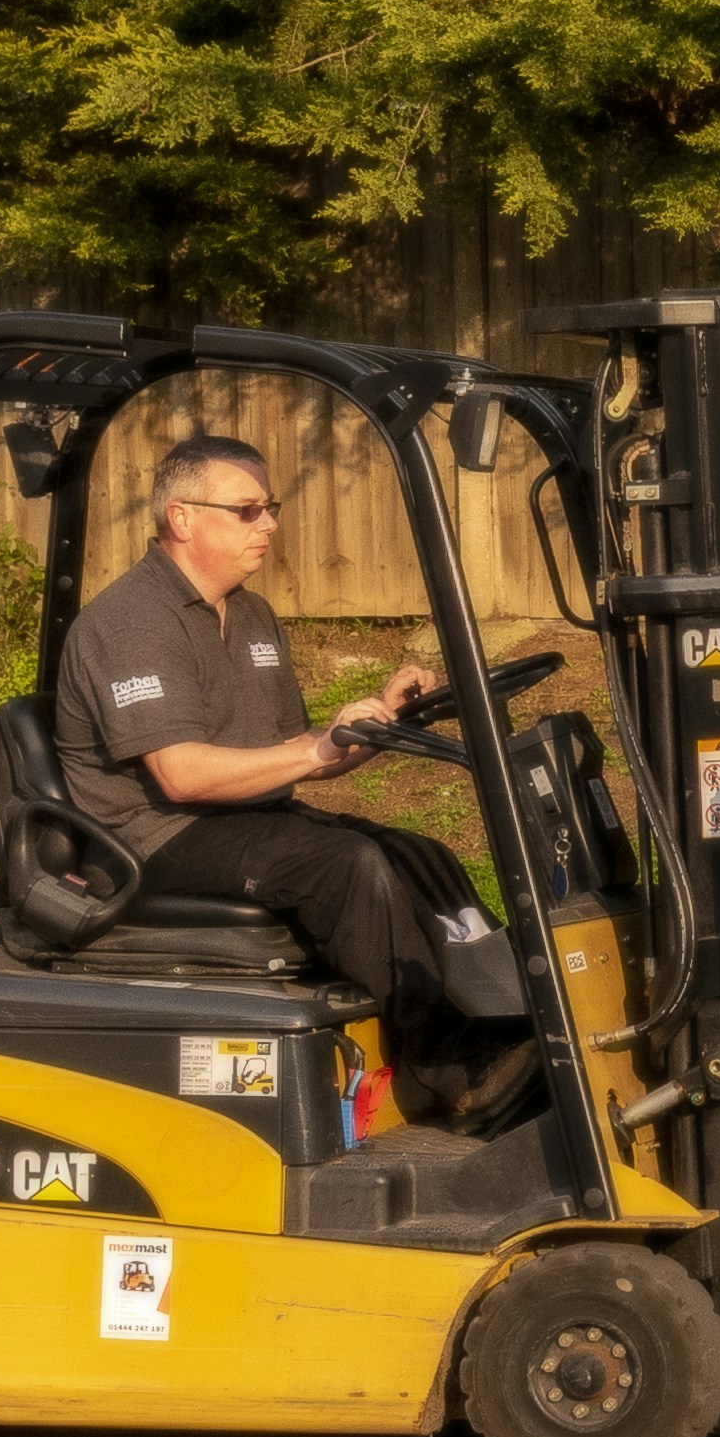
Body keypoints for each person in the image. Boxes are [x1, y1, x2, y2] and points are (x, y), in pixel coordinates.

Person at [54, 435, 523, 1116]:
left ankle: (502, 1021)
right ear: (181, 517)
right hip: (153, 837)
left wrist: (383, 719)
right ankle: (453, 1067)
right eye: (247, 510)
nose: (269, 524)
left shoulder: (251, 614)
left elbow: (298, 748)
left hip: (242, 819)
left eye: (269, 507)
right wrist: (313, 752)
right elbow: (182, 775)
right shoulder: (129, 623)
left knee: (421, 853)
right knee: (348, 865)